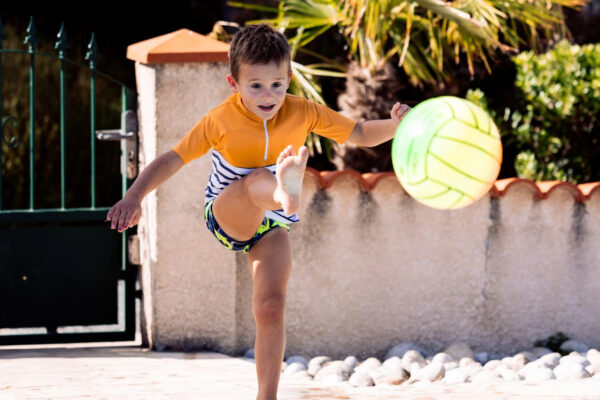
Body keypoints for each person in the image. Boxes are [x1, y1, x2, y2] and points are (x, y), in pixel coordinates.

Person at [106, 23, 410, 400]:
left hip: (273, 222)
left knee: (270, 306)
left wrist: (399, 126)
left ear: (289, 78)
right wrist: (134, 197)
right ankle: (285, 190)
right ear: (234, 83)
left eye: (277, 85)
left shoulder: (304, 112)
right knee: (254, 183)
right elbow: (171, 160)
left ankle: (266, 397)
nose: (269, 95)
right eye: (256, 86)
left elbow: (361, 133)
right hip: (227, 211)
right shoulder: (220, 120)